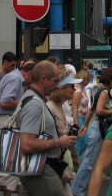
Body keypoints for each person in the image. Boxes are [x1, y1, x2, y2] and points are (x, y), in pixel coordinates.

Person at [18, 61, 77, 195]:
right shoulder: (34, 104)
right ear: (44, 79)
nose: (57, 86)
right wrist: (58, 142)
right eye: (55, 81)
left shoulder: (35, 100)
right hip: (41, 169)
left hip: (39, 168)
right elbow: (26, 144)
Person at [0, 60, 35, 196]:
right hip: (5, 121)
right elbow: (4, 102)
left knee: (8, 166)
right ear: (29, 73)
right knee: (7, 165)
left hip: (5, 121)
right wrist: (26, 101)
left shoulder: (16, 78)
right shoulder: (16, 79)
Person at [71, 68, 112, 196]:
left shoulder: (101, 91)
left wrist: (86, 125)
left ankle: (78, 189)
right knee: (89, 162)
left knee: (91, 161)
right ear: (109, 80)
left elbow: (92, 109)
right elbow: (98, 111)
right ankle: (77, 190)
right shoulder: (104, 92)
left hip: (96, 128)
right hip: (99, 129)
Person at [47, 72, 83, 196]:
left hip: (60, 162)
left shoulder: (62, 106)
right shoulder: (50, 108)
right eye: (72, 87)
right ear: (62, 89)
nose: (75, 90)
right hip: (54, 163)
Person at [71, 69, 91, 157]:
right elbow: (74, 106)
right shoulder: (78, 90)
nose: (88, 82)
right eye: (88, 80)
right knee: (80, 141)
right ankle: (75, 161)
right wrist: (76, 122)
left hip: (83, 117)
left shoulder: (82, 89)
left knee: (84, 142)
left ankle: (76, 158)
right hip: (78, 117)